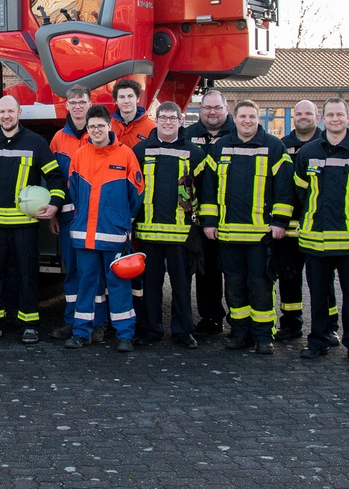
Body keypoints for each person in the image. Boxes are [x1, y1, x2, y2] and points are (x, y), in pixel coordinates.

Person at [293, 98, 349, 363]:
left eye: (339, 114)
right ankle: (318, 340)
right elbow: (300, 191)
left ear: (348, 117)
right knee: (319, 296)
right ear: (323, 118)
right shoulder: (308, 152)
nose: (335, 119)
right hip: (315, 240)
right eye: (330, 115)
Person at [200, 100, 293, 355]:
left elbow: (285, 188)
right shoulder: (220, 147)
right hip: (228, 234)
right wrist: (209, 222)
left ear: (258, 118)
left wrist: (280, 222)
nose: (247, 121)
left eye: (252, 116)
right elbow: (208, 187)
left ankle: (263, 335)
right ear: (235, 118)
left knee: (261, 284)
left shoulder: (274, 147)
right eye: (243, 116)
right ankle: (240, 331)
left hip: (261, 235)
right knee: (235, 285)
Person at [0, 95, 65, 344]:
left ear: (19, 112)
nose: (6, 116)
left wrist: (55, 204)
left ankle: (29, 324)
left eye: (10, 111)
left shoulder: (35, 143)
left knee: (27, 273)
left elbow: (55, 177)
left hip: (24, 225)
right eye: (2, 112)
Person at [65, 105, 143, 352]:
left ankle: (125, 335)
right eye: (92, 127)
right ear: (87, 129)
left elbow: (137, 194)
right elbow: (74, 191)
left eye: (101, 125)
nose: (96, 130)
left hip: (114, 235)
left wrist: (122, 219)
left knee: (119, 285)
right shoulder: (80, 155)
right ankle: (81, 332)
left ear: (110, 126)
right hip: (85, 236)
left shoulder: (126, 155)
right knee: (86, 285)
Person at [133, 101, 207, 348]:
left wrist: (200, 225)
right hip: (148, 232)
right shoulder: (140, 150)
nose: (167, 122)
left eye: (172, 118)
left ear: (180, 120)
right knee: (150, 287)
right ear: (156, 119)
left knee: (182, 287)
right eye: (162, 118)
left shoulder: (194, 153)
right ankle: (151, 330)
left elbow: (204, 191)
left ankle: (183, 332)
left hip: (182, 234)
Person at [274, 100, 336, 344]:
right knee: (289, 278)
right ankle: (291, 324)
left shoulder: (328, 145)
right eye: (298, 113)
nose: (303, 117)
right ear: (293, 117)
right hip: (288, 225)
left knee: (323, 280)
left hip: (318, 225)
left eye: (308, 113)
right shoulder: (282, 146)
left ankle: (330, 327)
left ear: (317, 116)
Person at [48, 86, 98, 341]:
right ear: (66, 106)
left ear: (90, 104)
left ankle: (97, 322)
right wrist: (55, 213)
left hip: (97, 218)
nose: (77, 106)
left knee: (95, 272)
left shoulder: (100, 134)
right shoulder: (58, 139)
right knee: (72, 271)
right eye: (73, 102)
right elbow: (53, 179)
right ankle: (72, 320)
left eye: (82, 102)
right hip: (68, 218)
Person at [184, 90, 234, 337]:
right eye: (207, 108)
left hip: (235, 216)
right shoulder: (189, 135)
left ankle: (239, 319)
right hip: (201, 217)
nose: (212, 112)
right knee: (207, 271)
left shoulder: (240, 134)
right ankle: (211, 317)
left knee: (235, 271)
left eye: (217, 107)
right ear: (200, 109)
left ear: (227, 108)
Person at [110, 79, 156, 148]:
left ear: (138, 99)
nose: (126, 101)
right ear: (116, 101)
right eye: (122, 97)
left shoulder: (152, 128)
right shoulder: (108, 127)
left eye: (130, 96)